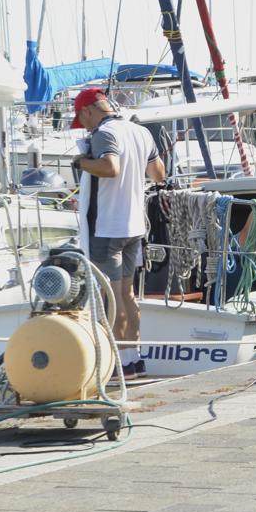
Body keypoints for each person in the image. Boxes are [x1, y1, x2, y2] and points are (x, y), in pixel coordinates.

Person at [71, 86, 167, 364]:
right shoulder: (141, 132)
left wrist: (82, 162)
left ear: (87, 111)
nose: (85, 127)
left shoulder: (103, 133)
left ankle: (121, 364)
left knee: (111, 297)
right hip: (134, 226)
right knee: (128, 294)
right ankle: (134, 358)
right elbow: (159, 174)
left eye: (82, 120)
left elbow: (110, 168)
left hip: (107, 228)